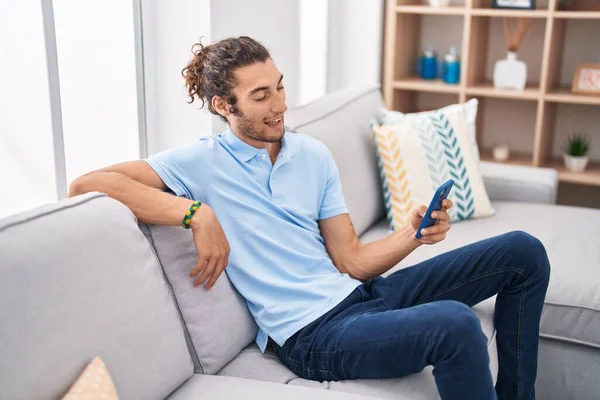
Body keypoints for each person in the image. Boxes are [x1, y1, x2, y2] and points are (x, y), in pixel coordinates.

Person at [69, 36, 550, 400]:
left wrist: (412, 234)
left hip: (362, 296)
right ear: (223, 105)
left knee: (523, 252)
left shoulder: (313, 155)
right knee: (456, 324)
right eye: (260, 96)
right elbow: (87, 184)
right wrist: (194, 212)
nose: (279, 105)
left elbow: (353, 260)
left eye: (279, 88)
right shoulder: (201, 163)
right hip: (312, 335)